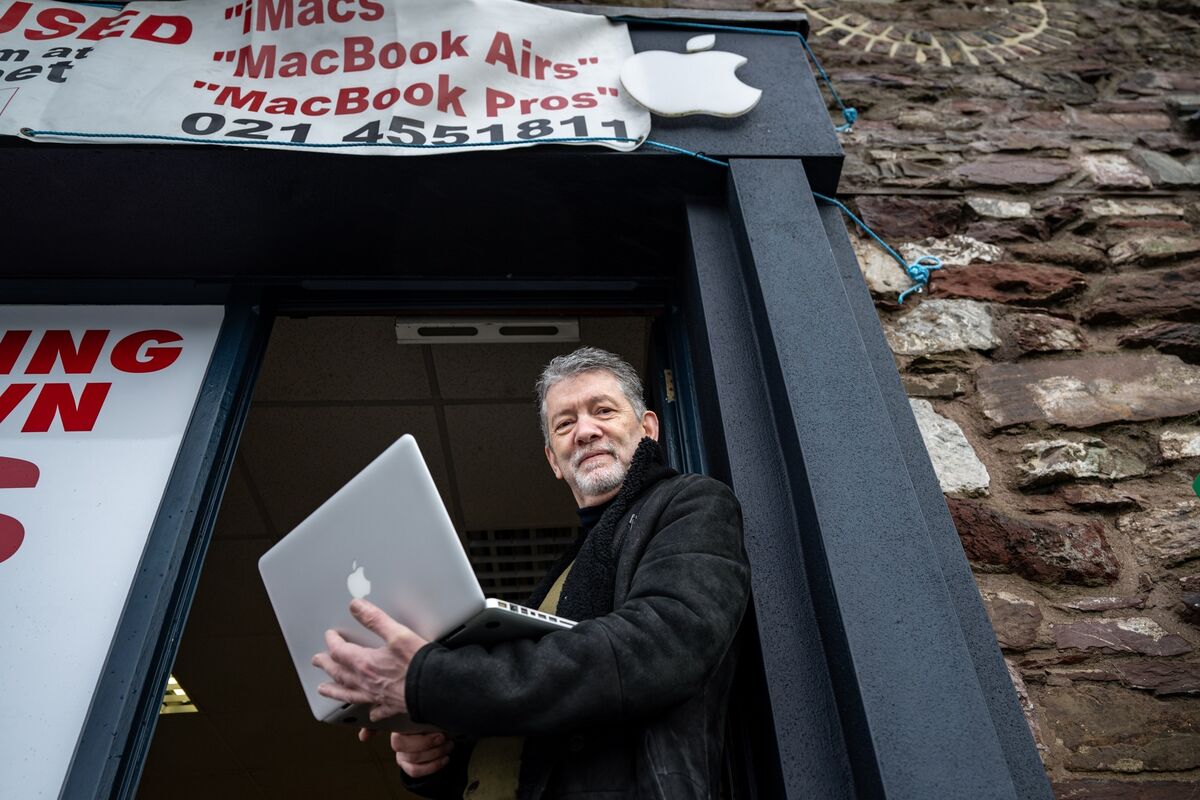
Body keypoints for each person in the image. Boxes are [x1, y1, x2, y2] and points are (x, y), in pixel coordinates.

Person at [312, 347, 750, 799]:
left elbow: (663, 645)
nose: (584, 431)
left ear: (648, 430)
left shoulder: (693, 503)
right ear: (553, 461)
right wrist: (436, 754)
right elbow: (523, 729)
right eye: (565, 424)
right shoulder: (555, 582)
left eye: (603, 410)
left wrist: (434, 682)